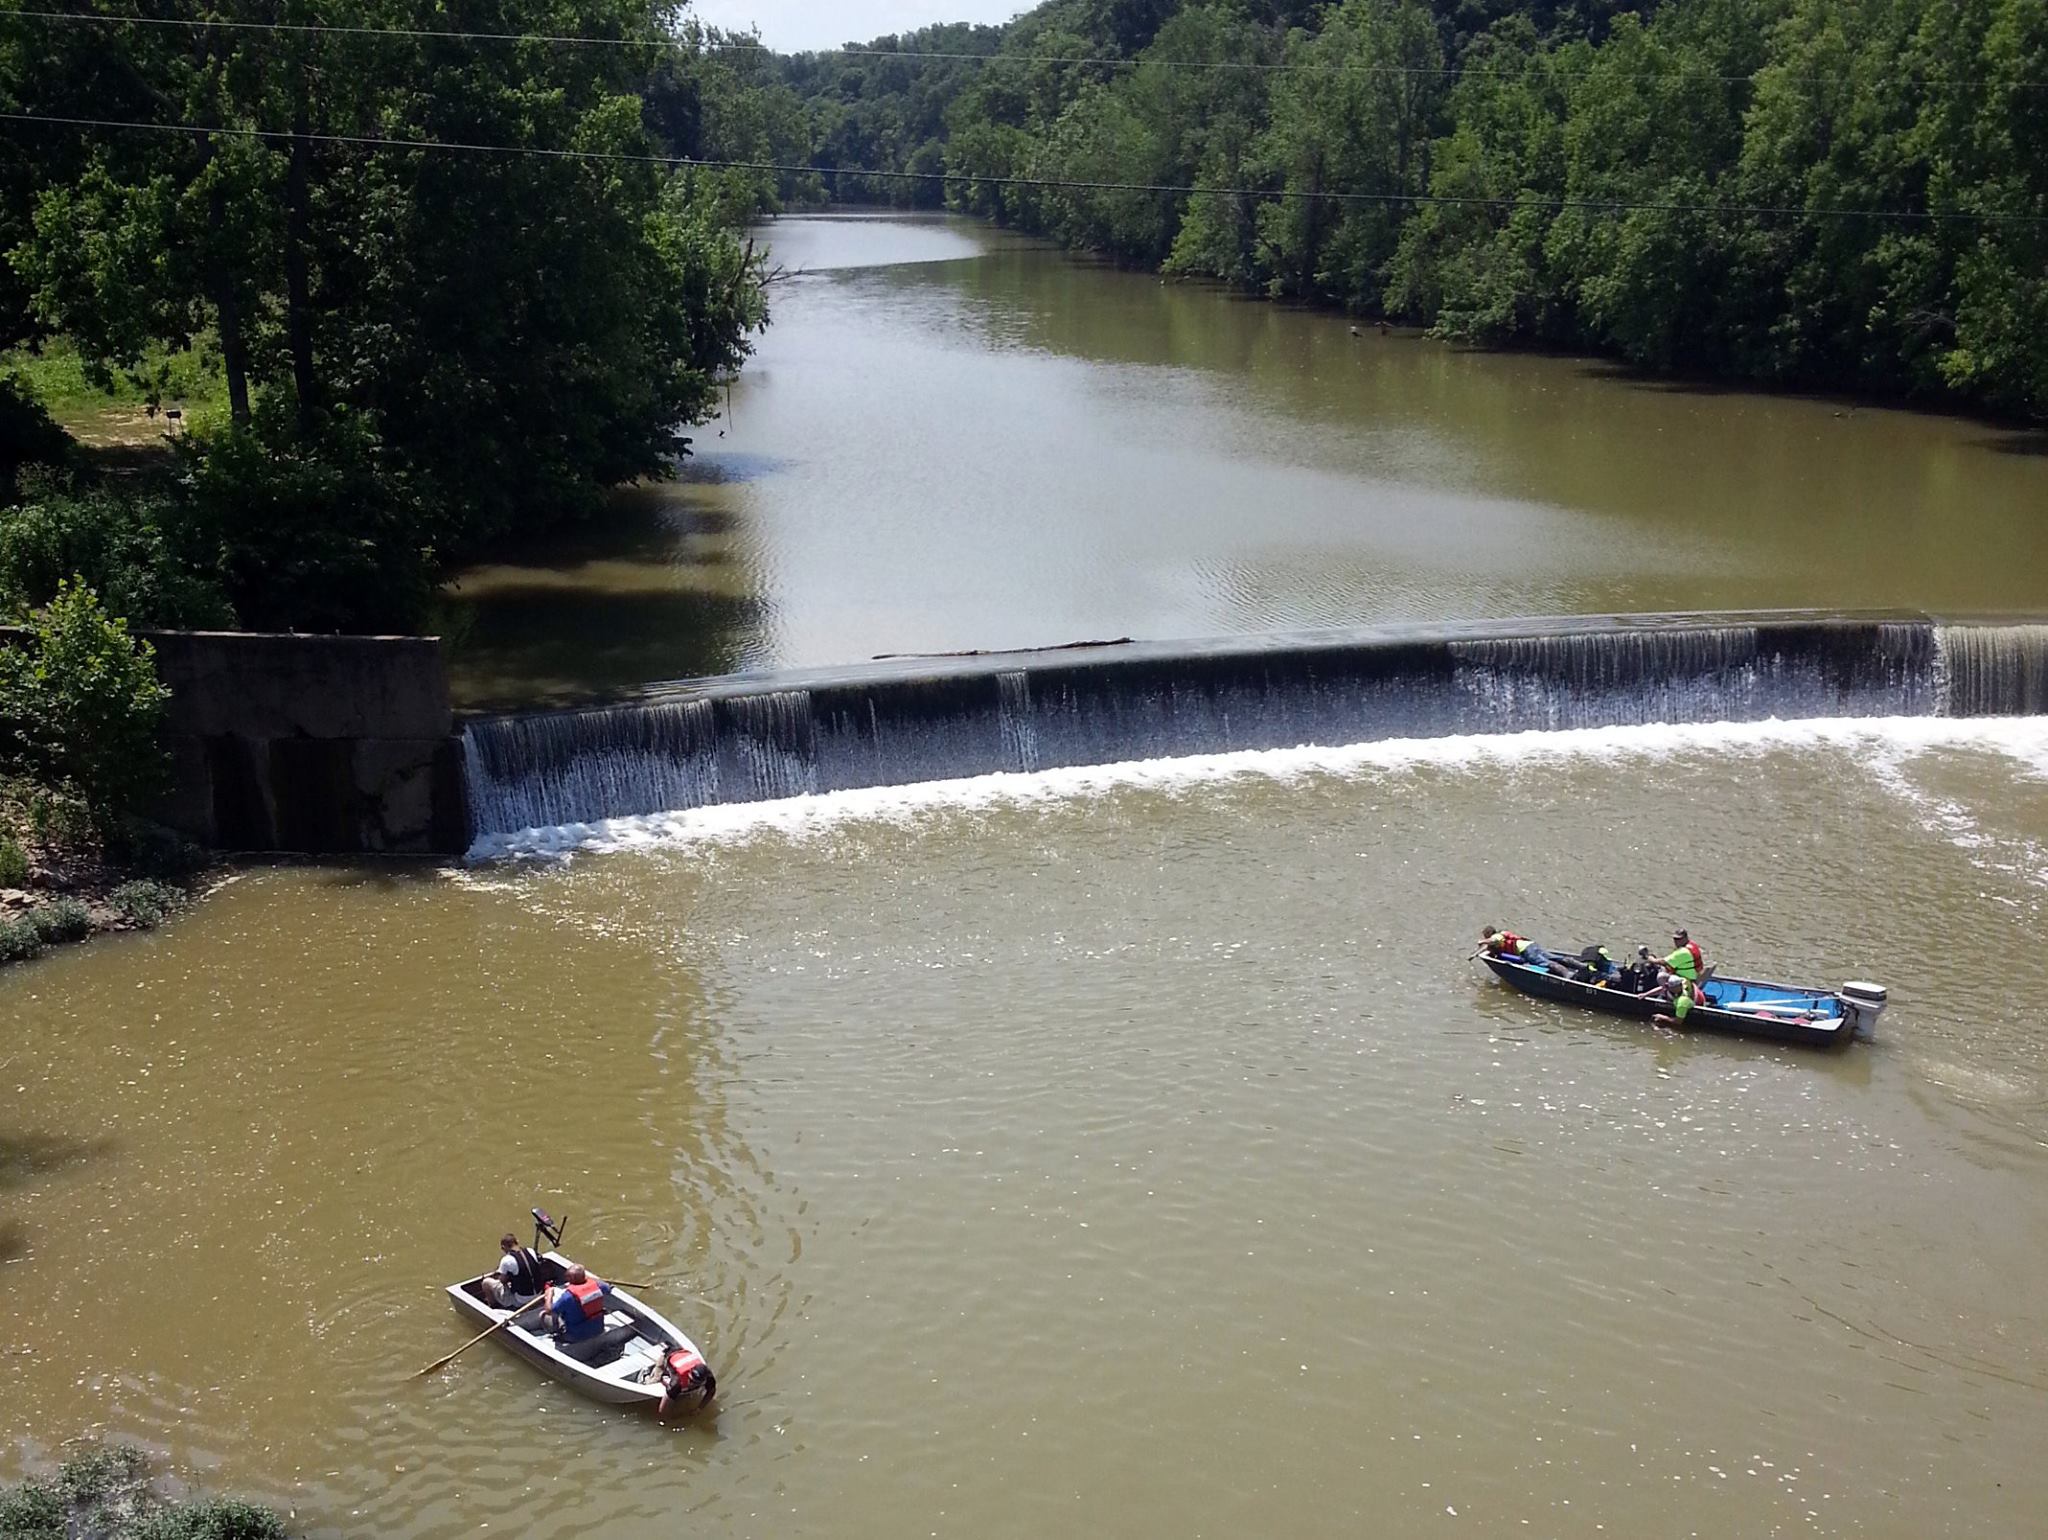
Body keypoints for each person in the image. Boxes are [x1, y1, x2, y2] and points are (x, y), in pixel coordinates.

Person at [542, 1263, 613, 1345]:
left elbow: (549, 1310)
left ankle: (561, 1337)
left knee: (544, 1315)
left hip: (576, 1335)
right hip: (598, 1329)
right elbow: (607, 1288)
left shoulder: (568, 1297)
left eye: (568, 1278)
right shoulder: (599, 1286)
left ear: (571, 1280)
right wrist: (586, 1280)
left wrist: (549, 1294)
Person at [481, 1232, 545, 1310]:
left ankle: (494, 1307)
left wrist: (500, 1276)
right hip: (539, 1294)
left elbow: (503, 1281)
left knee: (486, 1283)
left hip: (521, 1300)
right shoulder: (530, 1251)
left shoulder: (507, 1260)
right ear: (517, 1242)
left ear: (503, 1247)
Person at [650, 1346, 718, 1415]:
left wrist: (699, 1409)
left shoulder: (709, 1376)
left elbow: (711, 1392)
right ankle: (647, 1376)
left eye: (696, 1383)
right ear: (689, 1374)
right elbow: (662, 1409)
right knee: (656, 1379)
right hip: (667, 1357)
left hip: (682, 1354)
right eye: (691, 1381)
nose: (692, 1384)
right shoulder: (677, 1382)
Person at [1478, 926, 1566, 974]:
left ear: (1488, 934)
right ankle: (1577, 965)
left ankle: (1566, 974)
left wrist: (1482, 941)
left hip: (1526, 950)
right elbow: (1490, 946)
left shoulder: (1496, 936)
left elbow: (1494, 940)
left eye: (1485, 936)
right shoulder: (1500, 937)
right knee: (1554, 958)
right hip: (1531, 945)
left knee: (1546, 963)